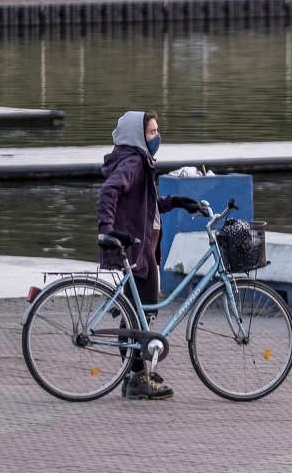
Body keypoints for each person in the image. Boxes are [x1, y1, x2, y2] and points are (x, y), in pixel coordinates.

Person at [96, 110, 199, 400]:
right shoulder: (134, 162)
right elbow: (108, 192)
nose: (157, 137)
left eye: (157, 131)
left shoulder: (138, 161)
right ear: (138, 136)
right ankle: (139, 378)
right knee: (146, 315)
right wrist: (107, 229)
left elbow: (147, 206)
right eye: (152, 132)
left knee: (136, 315)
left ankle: (134, 375)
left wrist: (178, 202)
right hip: (139, 250)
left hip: (143, 248)